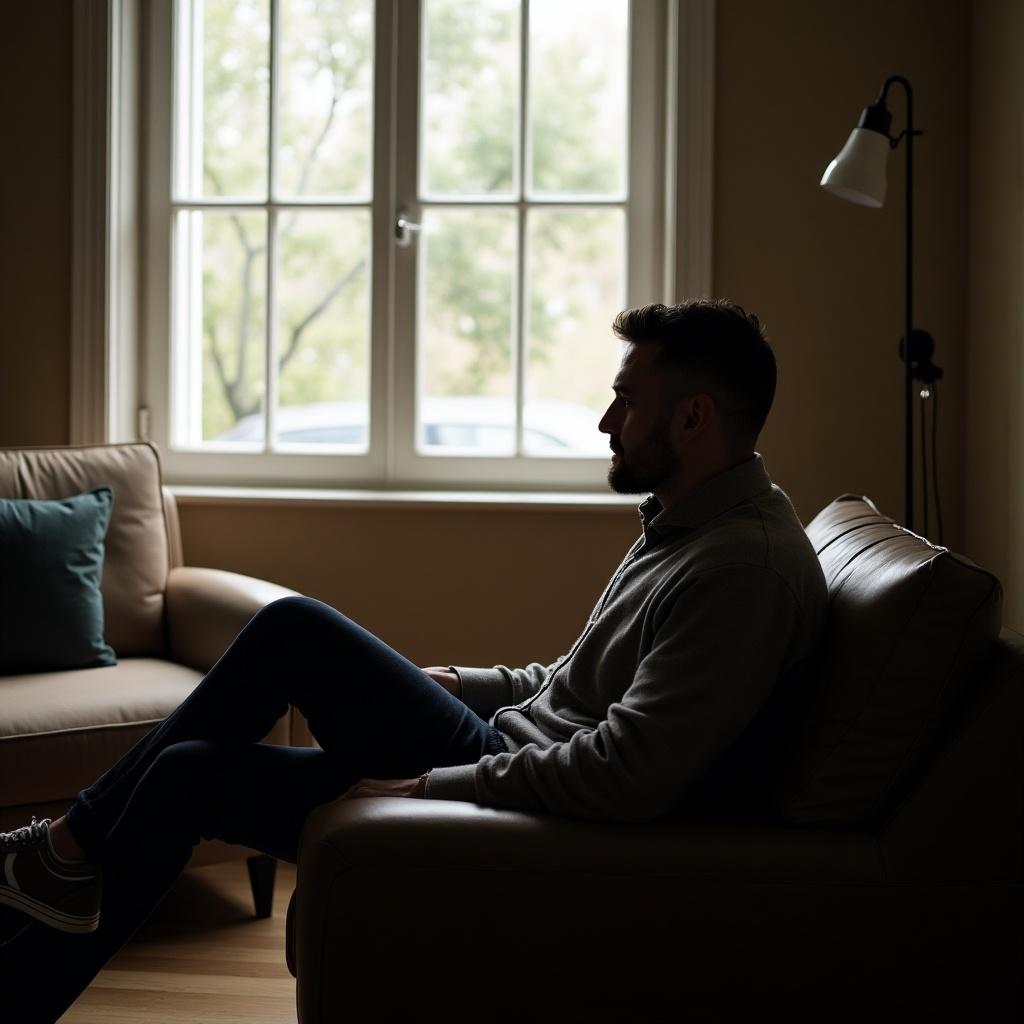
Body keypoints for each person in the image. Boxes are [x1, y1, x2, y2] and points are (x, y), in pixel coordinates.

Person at [0, 299, 828, 1022]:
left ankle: (67, 843)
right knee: (185, 774)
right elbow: (573, 684)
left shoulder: (741, 570)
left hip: (524, 797)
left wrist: (436, 784)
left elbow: (629, 773)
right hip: (511, 751)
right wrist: (464, 683)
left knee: (293, 628)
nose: (608, 422)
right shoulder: (686, 526)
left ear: (693, 419)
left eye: (626, 400)